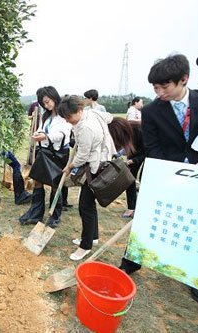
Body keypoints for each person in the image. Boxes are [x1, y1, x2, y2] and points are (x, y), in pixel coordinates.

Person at [138, 53, 198, 304]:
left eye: (164, 86)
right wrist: (166, 174)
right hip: (171, 176)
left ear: (184, 79)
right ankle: (133, 261)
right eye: (155, 88)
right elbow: (152, 147)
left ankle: (196, 278)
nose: (159, 92)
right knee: (154, 218)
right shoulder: (151, 111)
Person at [60, 95, 116, 260]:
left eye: (69, 117)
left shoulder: (85, 128)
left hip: (96, 167)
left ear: (78, 110)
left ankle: (85, 246)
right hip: (101, 161)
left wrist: (69, 167)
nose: (68, 121)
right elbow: (109, 117)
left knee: (85, 206)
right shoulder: (92, 113)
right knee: (89, 205)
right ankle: (93, 237)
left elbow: (82, 156)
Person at [19, 86, 72, 228]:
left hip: (59, 155)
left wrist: (46, 136)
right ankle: (35, 213)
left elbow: (63, 134)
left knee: (55, 185)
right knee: (38, 181)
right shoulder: (46, 116)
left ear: (54, 97)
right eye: (43, 103)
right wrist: (38, 134)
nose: (46, 105)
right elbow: (41, 128)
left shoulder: (64, 115)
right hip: (44, 153)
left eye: (47, 102)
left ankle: (54, 216)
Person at [107, 117, 145, 218]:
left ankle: (143, 207)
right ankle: (131, 208)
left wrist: (132, 161)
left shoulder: (141, 130)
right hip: (135, 153)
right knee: (129, 179)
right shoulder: (126, 133)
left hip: (149, 155)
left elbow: (147, 152)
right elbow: (126, 147)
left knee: (145, 180)